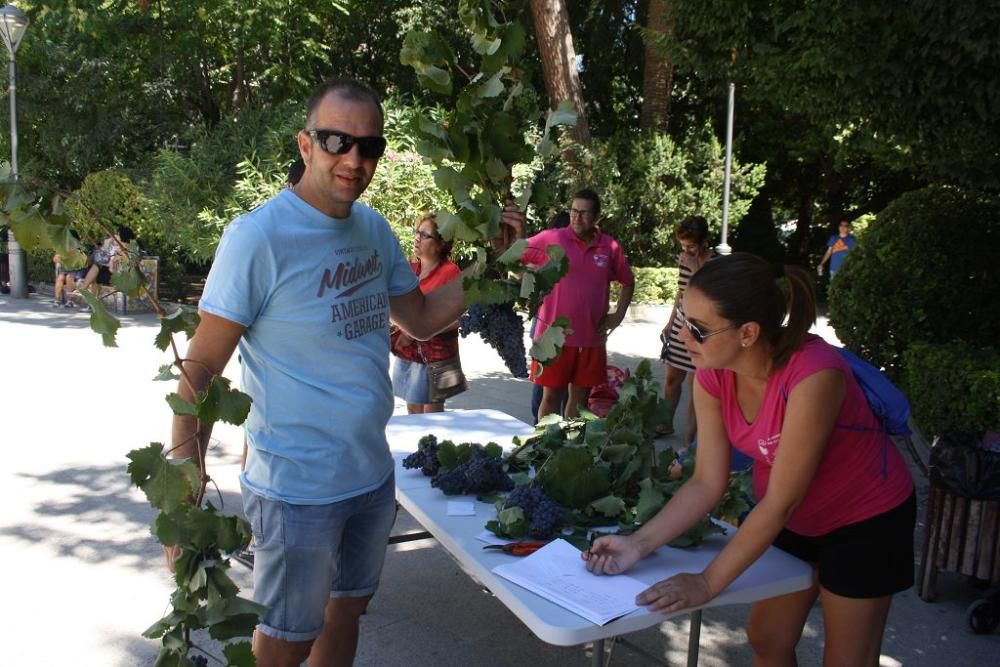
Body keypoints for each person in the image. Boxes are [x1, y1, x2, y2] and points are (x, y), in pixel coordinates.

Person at [168, 78, 522, 667]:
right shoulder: (258, 237)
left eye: (369, 147)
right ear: (306, 144)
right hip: (296, 487)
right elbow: (202, 367)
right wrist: (183, 478)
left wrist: (495, 262)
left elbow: (426, 318)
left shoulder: (373, 230)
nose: (354, 159)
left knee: (347, 610)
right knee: (287, 636)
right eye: (337, 140)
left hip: (369, 473)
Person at [583, 252, 915, 665]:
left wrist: (706, 583)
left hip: (865, 520)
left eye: (699, 331)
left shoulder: (815, 375)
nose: (684, 339)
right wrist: (637, 544)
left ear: (748, 333)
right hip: (795, 516)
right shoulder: (712, 373)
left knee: (846, 660)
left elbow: (781, 501)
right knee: (767, 637)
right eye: (685, 322)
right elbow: (706, 481)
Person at [513, 189, 635, 421]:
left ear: (597, 217)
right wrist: (531, 285)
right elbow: (514, 257)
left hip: (591, 339)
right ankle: (544, 449)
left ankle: (569, 450)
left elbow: (628, 282)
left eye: (584, 213)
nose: (577, 218)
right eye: (574, 211)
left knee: (579, 405)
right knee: (550, 399)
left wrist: (618, 315)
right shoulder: (552, 239)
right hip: (553, 339)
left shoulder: (609, 247)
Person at [390, 213, 462, 414]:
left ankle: (433, 447)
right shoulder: (410, 269)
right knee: (412, 410)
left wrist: (421, 328)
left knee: (432, 416)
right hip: (409, 353)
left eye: (424, 235)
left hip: (437, 355)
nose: (417, 238)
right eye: (417, 232)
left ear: (440, 244)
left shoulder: (451, 272)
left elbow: (462, 319)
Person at [657, 215, 713, 443]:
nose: (686, 250)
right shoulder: (684, 260)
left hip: (701, 329)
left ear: (704, 242)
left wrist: (695, 266)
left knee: (695, 384)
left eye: (691, 246)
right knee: (671, 378)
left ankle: (690, 436)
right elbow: (681, 293)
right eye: (683, 245)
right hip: (681, 324)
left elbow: (707, 293)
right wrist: (670, 323)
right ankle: (665, 424)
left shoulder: (714, 262)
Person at [529, 211, 570, 422]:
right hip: (547, 329)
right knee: (550, 393)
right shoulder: (547, 259)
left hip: (546, 330)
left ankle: (540, 427)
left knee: (544, 392)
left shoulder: (546, 257)